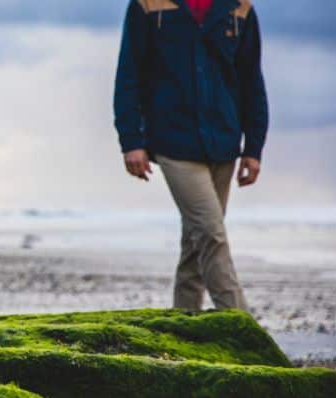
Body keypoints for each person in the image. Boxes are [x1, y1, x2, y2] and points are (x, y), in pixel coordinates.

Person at [113, 0, 268, 311]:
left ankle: (184, 323)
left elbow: (251, 80)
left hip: (223, 143)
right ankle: (240, 323)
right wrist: (132, 141)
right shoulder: (148, 6)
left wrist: (253, 148)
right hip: (173, 143)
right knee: (211, 235)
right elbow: (129, 75)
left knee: (195, 246)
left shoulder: (240, 10)